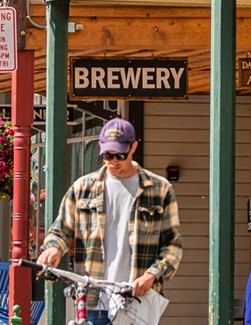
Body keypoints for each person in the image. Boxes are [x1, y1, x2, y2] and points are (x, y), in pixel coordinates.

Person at [38, 118, 182, 325]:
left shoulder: (160, 189)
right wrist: (53, 249)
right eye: (108, 155)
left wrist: (152, 275)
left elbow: (173, 244)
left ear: (134, 147)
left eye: (120, 155)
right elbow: (60, 231)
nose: (114, 161)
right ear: (100, 148)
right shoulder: (82, 188)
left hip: (137, 299)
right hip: (93, 297)